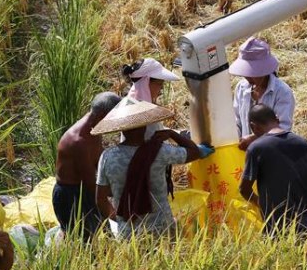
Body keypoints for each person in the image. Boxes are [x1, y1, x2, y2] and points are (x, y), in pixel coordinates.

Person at [94, 98, 214, 239]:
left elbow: (100, 199)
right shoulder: (159, 151)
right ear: (145, 126)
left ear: (122, 129)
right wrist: (172, 134)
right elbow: (194, 152)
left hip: (128, 233)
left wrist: (119, 218)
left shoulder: (108, 157)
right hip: (162, 229)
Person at [239, 104, 307, 235]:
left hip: (278, 227)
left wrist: (263, 205)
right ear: (278, 120)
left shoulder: (256, 149)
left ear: (253, 126)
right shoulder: (303, 143)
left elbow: (244, 190)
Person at [53, 91, 121, 238]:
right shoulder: (79, 142)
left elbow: (99, 160)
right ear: (103, 115)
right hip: (70, 196)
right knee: (82, 241)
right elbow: (92, 184)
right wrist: (115, 213)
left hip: (85, 189)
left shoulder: (94, 129)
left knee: (105, 232)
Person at [230, 36, 295, 151]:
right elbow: (237, 121)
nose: (248, 77)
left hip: (272, 152)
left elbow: (283, 129)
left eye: (252, 73)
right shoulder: (241, 87)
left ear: (264, 71)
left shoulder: (282, 92)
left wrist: (254, 139)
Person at [122, 58, 181, 140]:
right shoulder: (142, 112)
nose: (162, 88)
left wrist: (178, 133)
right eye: (159, 84)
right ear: (146, 83)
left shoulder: (131, 101)